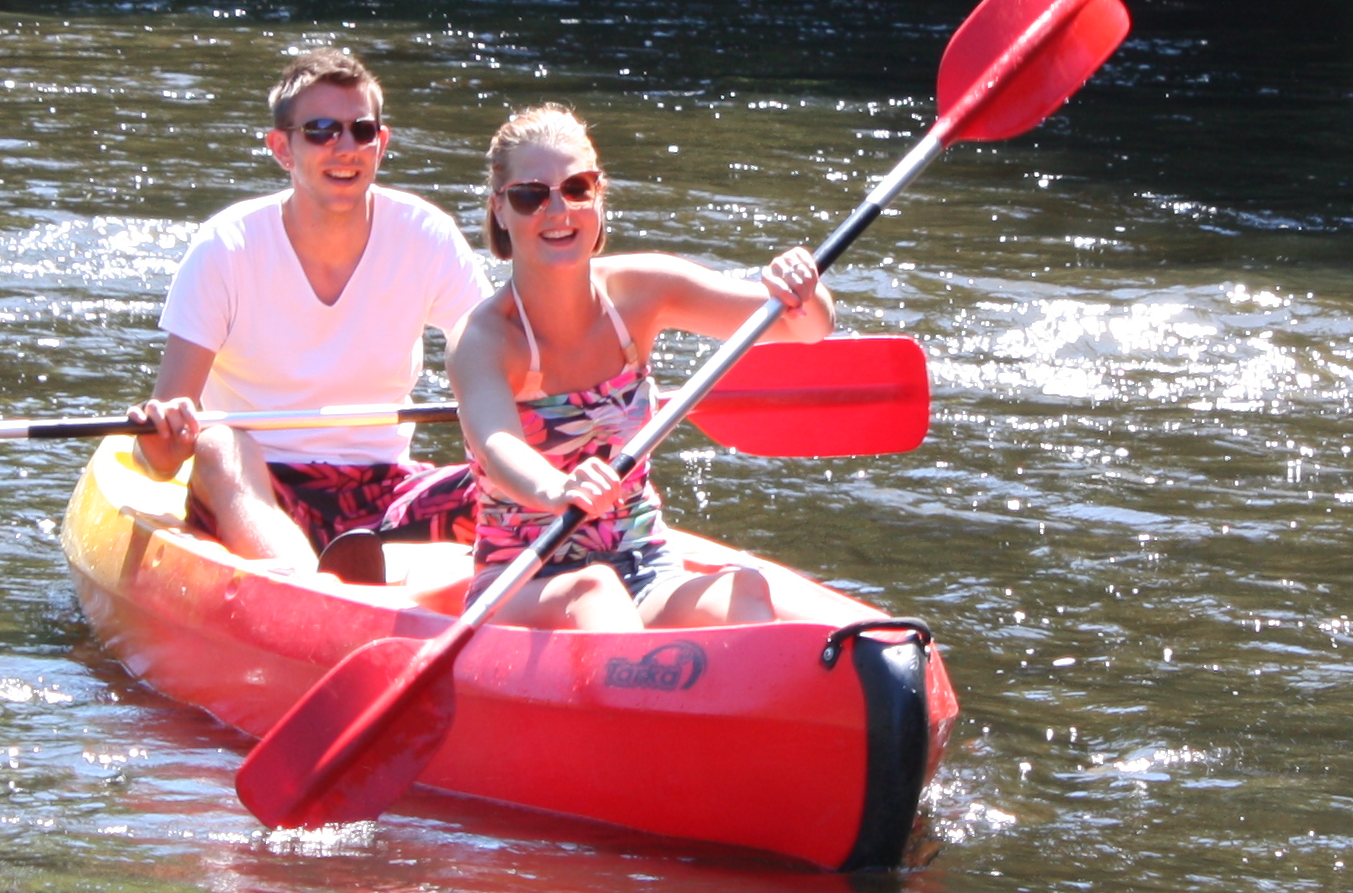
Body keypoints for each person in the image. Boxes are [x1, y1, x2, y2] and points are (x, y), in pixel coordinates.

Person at [450, 104, 835, 631]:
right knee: (594, 591)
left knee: (744, 589)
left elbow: (804, 327)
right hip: (524, 580)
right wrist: (557, 488)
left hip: (645, 570)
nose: (558, 211)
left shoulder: (643, 292)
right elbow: (498, 448)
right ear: (500, 209)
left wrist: (804, 289)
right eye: (531, 195)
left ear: (599, 195)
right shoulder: (484, 339)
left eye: (577, 188)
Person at [134, 42, 493, 569]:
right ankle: (309, 586)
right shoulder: (225, 247)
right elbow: (161, 460)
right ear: (283, 149)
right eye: (321, 132)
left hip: (384, 491)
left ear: (381, 142)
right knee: (217, 445)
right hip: (256, 483)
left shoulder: (426, 235)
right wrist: (165, 429)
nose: (344, 148)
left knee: (509, 474)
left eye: (361, 131)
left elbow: (501, 362)